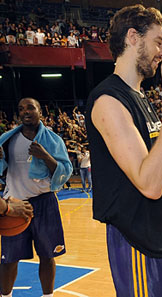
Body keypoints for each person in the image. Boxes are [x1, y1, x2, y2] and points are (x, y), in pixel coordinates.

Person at [85, 5, 162, 296]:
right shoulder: (108, 100)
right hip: (137, 241)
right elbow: (149, 183)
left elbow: (154, 163)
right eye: (159, 42)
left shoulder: (139, 97)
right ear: (132, 37)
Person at [0, 97, 72, 297]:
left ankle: (48, 295)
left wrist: (46, 156)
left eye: (30, 107)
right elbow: (2, 171)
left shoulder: (52, 140)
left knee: (48, 255)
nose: (25, 112)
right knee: (8, 259)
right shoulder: (7, 139)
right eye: (21, 109)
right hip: (14, 204)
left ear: (41, 111)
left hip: (44, 203)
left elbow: (66, 170)